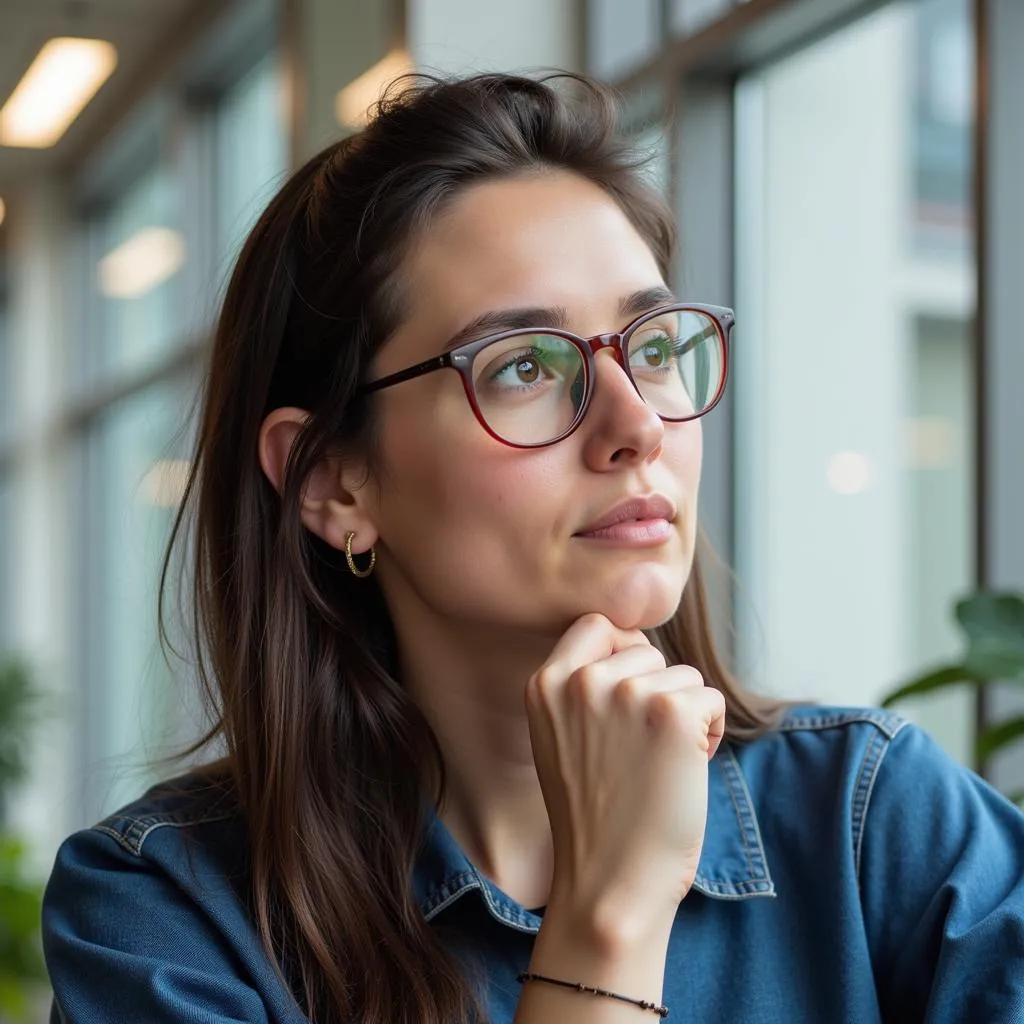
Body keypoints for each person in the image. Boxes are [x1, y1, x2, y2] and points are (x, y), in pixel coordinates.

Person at [42, 72, 1024, 1024]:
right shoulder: (166, 915)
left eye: (652, 344)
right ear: (335, 482)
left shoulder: (879, 824)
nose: (636, 423)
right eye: (523, 366)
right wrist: (609, 913)